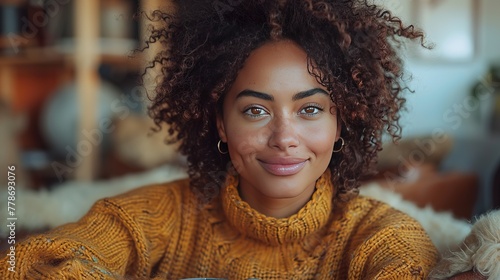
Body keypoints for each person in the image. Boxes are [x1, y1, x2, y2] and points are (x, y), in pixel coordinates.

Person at [0, 0, 438, 279]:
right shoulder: (159, 216)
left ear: (340, 123)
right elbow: (35, 263)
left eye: (310, 109)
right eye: (255, 110)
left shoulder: (381, 236)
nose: (284, 138)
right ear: (222, 125)